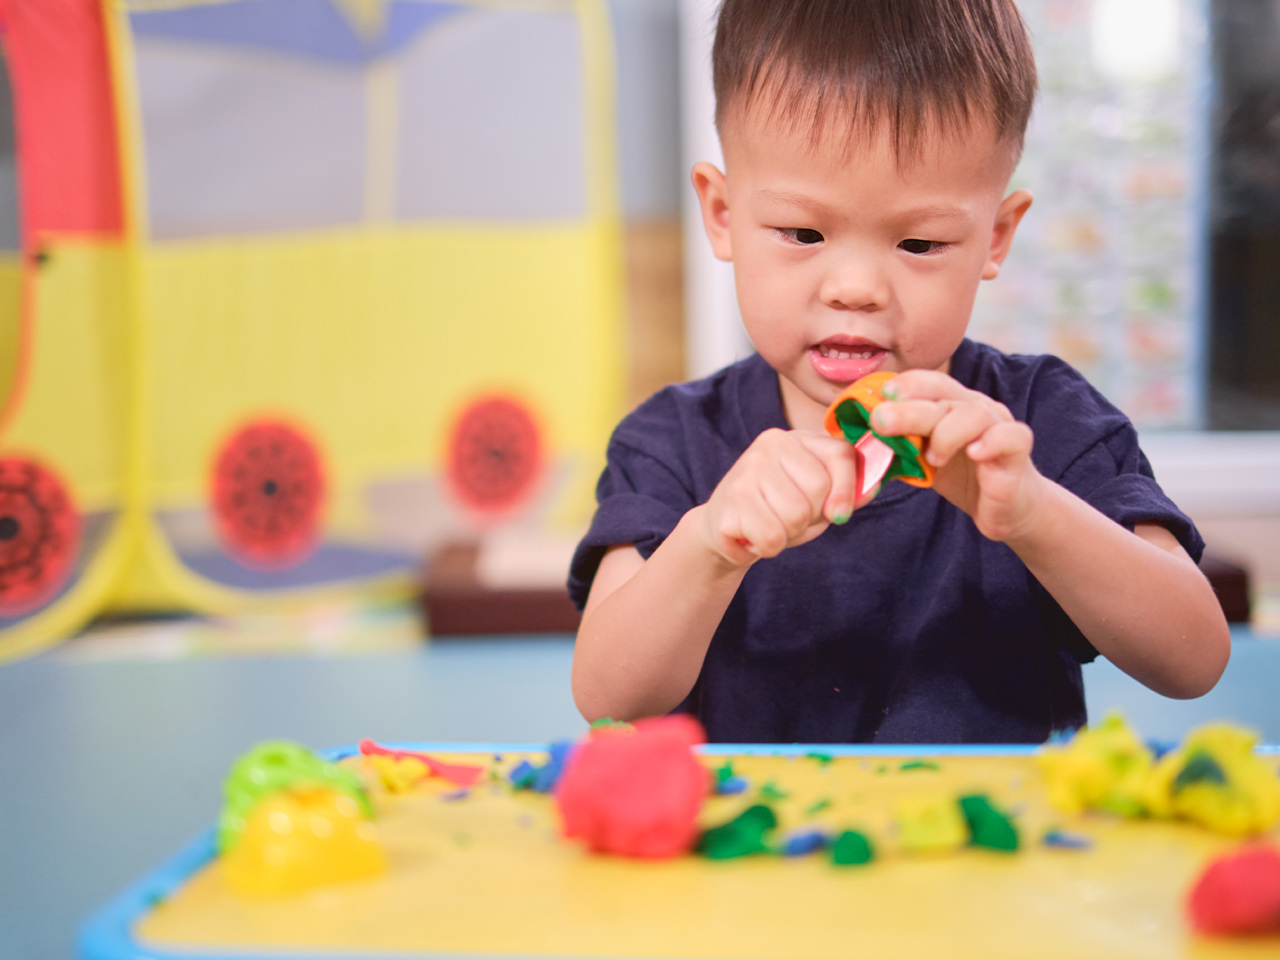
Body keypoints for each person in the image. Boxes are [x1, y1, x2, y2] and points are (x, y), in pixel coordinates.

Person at [567, 0, 1230, 743]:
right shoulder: (671, 440)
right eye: (802, 233)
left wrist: (1036, 513)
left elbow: (1194, 660)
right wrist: (709, 545)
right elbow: (607, 699)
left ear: (996, 237)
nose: (856, 287)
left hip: (991, 852)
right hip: (756, 855)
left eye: (918, 243)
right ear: (722, 214)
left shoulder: (1041, 419)